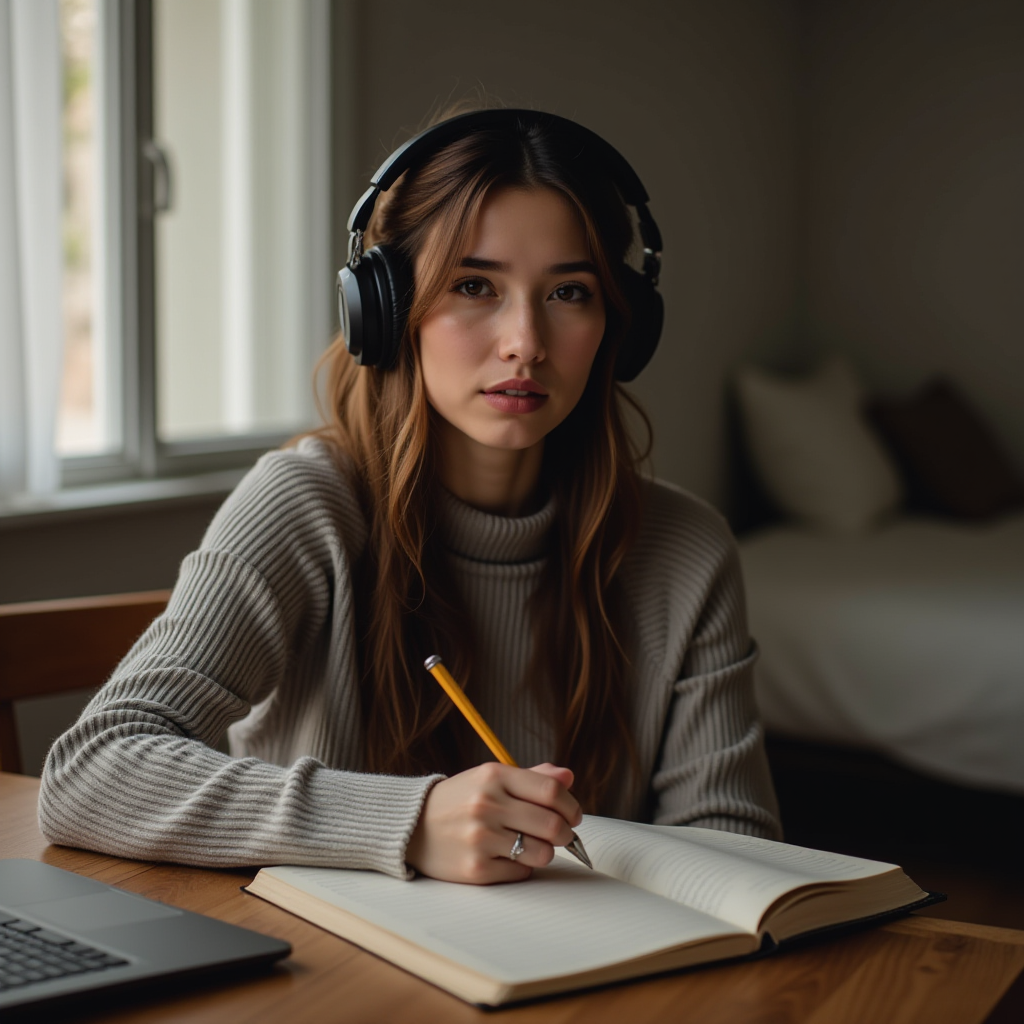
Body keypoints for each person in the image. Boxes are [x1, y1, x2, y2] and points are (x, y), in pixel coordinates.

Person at [39, 108, 781, 885]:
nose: (525, 340)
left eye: (569, 291)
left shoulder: (688, 548)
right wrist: (411, 823)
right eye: (473, 285)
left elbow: (737, 851)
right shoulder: (304, 506)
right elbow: (94, 768)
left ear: (619, 328)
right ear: (386, 311)